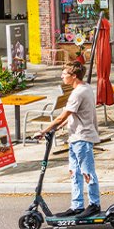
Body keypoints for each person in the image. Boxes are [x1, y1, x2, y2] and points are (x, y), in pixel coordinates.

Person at [40, 62, 102, 217]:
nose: (62, 76)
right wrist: (58, 128)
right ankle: (77, 205)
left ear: (74, 76)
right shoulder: (85, 87)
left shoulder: (78, 93)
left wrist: (44, 130)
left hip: (82, 137)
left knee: (87, 172)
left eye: (64, 73)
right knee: (75, 173)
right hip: (75, 137)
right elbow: (75, 114)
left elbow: (63, 116)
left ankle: (94, 205)